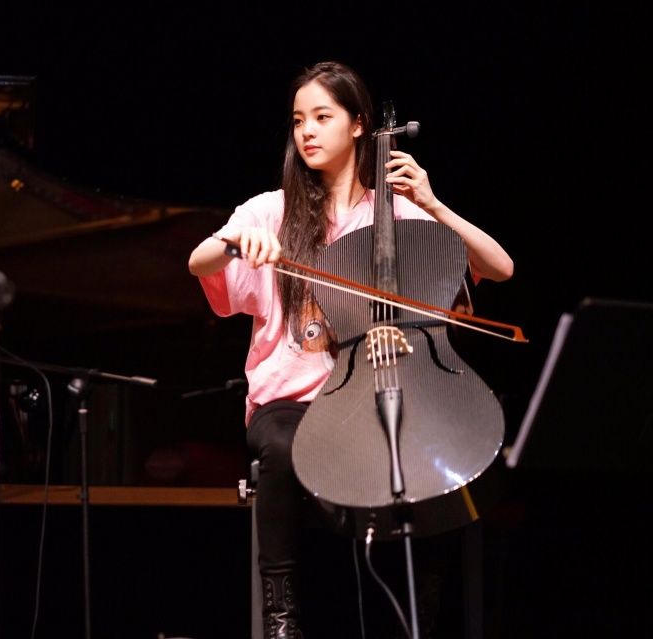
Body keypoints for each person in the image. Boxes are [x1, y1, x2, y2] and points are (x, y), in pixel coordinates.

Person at [187, 61, 513, 639]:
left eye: (322, 117)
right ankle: (282, 616)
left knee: (438, 460)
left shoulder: (395, 215)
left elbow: (498, 267)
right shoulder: (269, 212)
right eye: (297, 121)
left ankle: (418, 618)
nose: (306, 131)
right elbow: (198, 263)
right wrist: (232, 240)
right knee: (286, 450)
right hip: (290, 403)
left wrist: (434, 204)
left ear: (359, 125)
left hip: (373, 396)